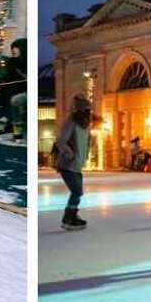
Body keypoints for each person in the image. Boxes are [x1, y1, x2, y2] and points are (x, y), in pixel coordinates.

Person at [53, 95, 92, 230]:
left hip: (77, 164)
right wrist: (71, 156)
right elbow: (61, 141)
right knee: (77, 191)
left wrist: (84, 157)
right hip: (68, 164)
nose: (88, 113)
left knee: (77, 192)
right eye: (86, 110)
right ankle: (69, 217)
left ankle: (72, 215)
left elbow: (87, 142)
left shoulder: (86, 125)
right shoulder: (72, 122)